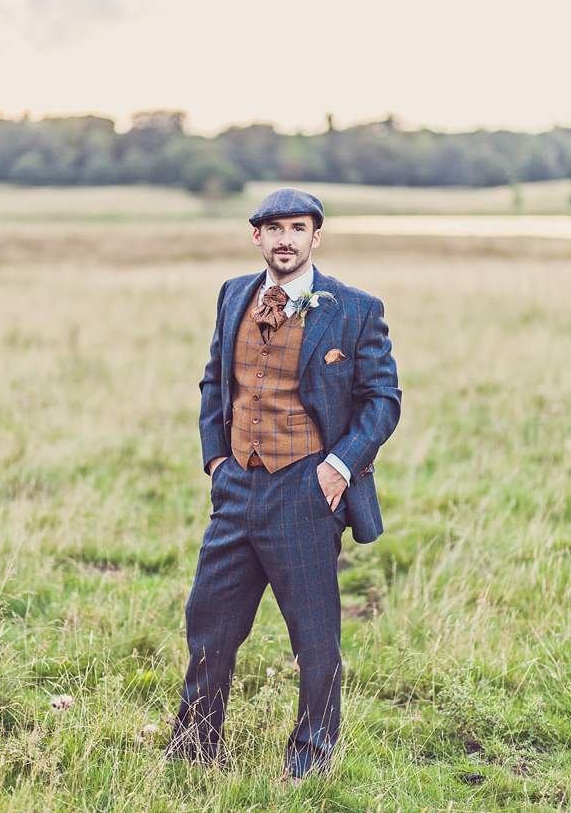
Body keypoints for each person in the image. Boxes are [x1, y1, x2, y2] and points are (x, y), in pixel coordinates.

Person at [167, 187, 401, 783]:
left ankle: (311, 757)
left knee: (315, 635)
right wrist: (215, 461)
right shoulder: (233, 294)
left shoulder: (355, 308)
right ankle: (195, 748)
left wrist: (338, 466)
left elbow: (383, 402)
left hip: (305, 488)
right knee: (209, 621)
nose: (285, 239)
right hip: (236, 489)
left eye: (298, 228)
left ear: (316, 236)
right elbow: (215, 382)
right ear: (257, 237)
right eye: (274, 229)